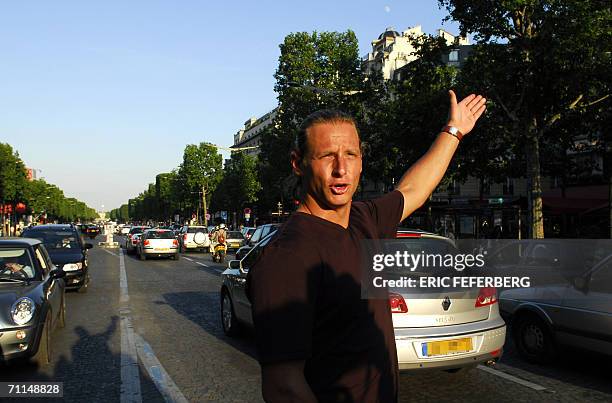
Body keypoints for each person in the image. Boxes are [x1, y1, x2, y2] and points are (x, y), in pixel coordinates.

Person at [247, 90, 486, 402]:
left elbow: (413, 188)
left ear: (361, 161)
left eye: (351, 155)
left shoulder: (364, 219)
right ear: (298, 163)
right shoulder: (286, 258)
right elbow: (283, 388)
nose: (341, 169)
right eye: (326, 156)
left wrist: (453, 131)